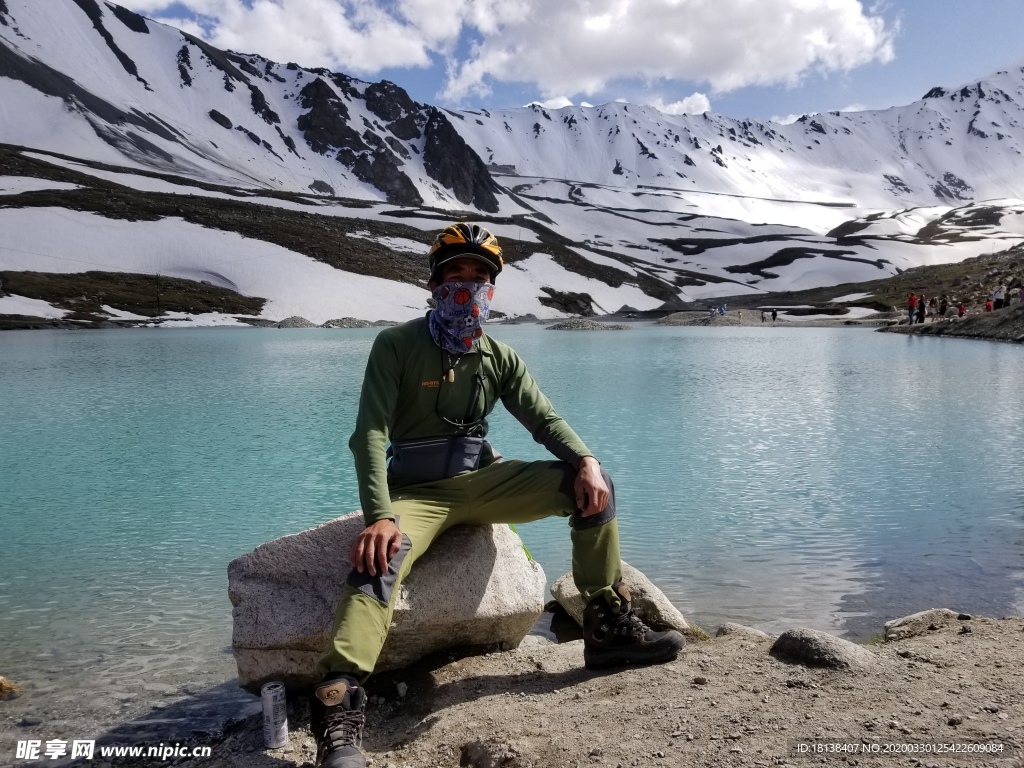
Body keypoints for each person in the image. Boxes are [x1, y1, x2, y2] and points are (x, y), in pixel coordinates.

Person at [308, 223, 685, 768]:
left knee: (587, 490)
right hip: (418, 493)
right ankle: (339, 705)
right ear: (435, 284)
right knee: (378, 558)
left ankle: (606, 627)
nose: (467, 286)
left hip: (483, 484)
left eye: (480, 276)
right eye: (455, 274)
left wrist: (587, 461)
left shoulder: (498, 357)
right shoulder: (395, 344)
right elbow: (368, 433)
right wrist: (381, 515)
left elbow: (543, 418)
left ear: (492, 287)